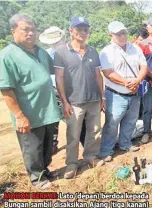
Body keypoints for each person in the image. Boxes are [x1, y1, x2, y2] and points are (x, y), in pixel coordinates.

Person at [0, 14, 62, 189]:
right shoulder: (7, 56)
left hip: (48, 109)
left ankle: (45, 170)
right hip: (29, 113)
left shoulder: (40, 51)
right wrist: (19, 116)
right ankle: (37, 178)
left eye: (33, 29)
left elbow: (55, 70)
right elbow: (6, 89)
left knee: (48, 144)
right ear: (13, 31)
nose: (31, 33)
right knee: (32, 148)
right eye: (26, 29)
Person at [54, 16, 105, 179]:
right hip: (74, 102)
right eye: (78, 29)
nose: (82, 32)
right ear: (71, 31)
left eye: (85, 29)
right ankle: (72, 163)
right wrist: (64, 101)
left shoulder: (93, 52)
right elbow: (59, 78)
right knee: (73, 134)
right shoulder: (61, 52)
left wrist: (102, 97)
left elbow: (98, 76)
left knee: (94, 131)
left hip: (94, 99)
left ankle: (90, 156)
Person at [99, 21, 148, 161]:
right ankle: (106, 150)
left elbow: (143, 66)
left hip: (134, 92)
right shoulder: (106, 52)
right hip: (116, 94)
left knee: (130, 121)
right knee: (112, 122)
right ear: (111, 35)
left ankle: (125, 144)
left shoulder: (135, 48)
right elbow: (108, 72)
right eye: (118, 33)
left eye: (123, 33)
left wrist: (137, 80)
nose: (122, 36)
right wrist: (126, 82)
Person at [39, 26, 66, 154]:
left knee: (73, 118)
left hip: (69, 90)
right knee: (53, 119)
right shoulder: (46, 53)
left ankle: (81, 141)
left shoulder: (70, 51)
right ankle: (53, 144)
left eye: (57, 41)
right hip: (53, 90)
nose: (55, 44)